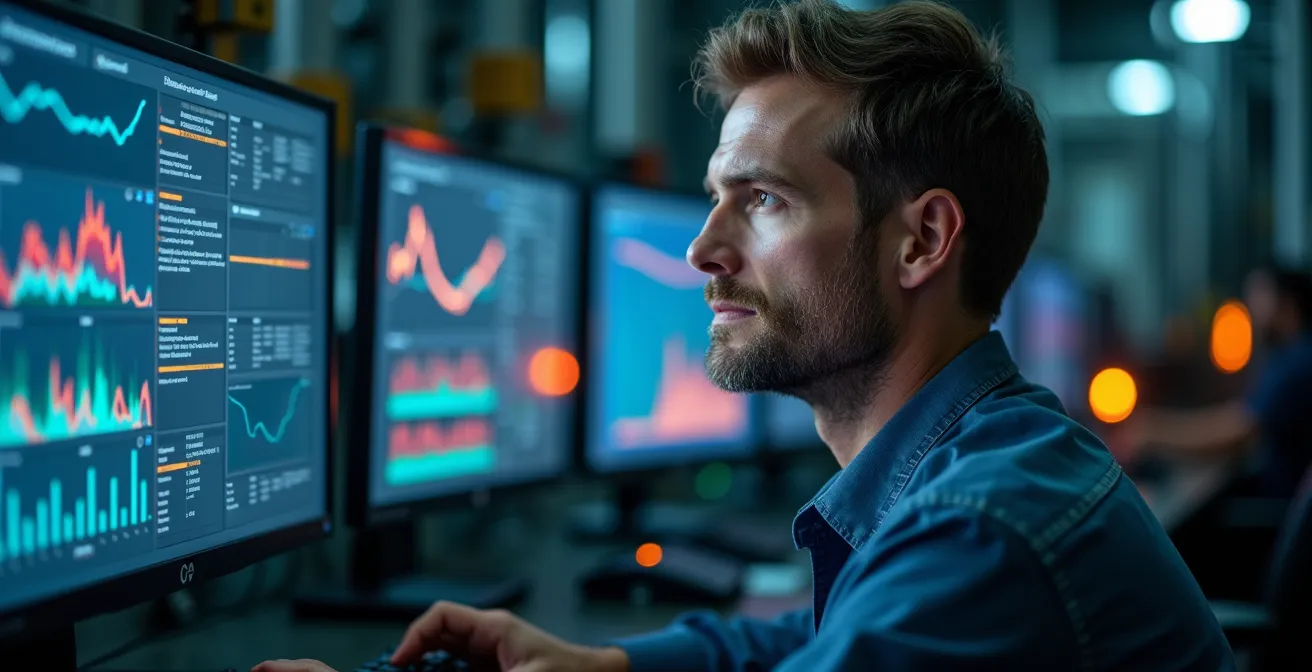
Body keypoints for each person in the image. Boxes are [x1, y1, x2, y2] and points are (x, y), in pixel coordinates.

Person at [255, 1, 1231, 670]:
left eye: (761, 200)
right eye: (716, 197)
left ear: (921, 241)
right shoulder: (977, 466)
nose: (701, 250)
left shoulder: (982, 532)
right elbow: (819, 642)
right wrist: (603, 663)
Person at [1136, 265, 1312, 498]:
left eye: (1259, 295)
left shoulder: (1296, 361)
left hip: (1275, 509)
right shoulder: (1286, 356)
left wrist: (1155, 433)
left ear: (1286, 303)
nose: (1250, 306)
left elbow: (1239, 430)